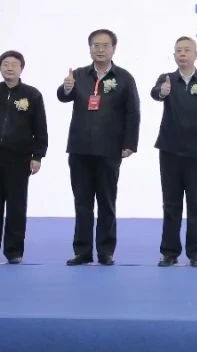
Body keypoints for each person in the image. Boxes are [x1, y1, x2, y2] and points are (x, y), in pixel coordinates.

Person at [59, 28, 141, 266]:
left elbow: (133, 112)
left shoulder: (124, 78)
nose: (100, 49)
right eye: (96, 45)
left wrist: (129, 143)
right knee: (82, 203)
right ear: (90, 49)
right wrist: (66, 87)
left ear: (114, 48)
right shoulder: (78, 74)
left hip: (109, 149)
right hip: (80, 149)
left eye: (105, 45)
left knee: (106, 202)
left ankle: (106, 251)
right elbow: (63, 96)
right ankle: (82, 251)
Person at [150, 36, 197, 268]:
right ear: (174, 55)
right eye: (178, 50)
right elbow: (155, 93)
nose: (182, 54)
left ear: (195, 54)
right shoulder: (167, 79)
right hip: (170, 151)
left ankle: (196, 253)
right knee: (171, 204)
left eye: (186, 50)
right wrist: (162, 91)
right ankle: (169, 252)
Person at [0, 50, 48, 265]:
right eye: (5, 64)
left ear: (21, 68)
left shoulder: (32, 94)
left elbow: (40, 128)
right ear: (0, 68)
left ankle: (14, 251)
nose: (9, 68)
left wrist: (38, 156)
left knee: (16, 207)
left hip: (19, 159)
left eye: (14, 64)